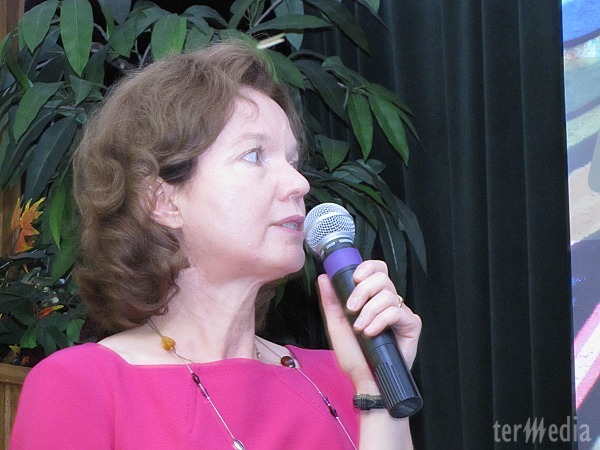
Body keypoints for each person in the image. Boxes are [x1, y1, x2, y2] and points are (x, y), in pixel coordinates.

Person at [10, 40, 422, 449]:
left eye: (293, 162)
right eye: (254, 155)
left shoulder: (345, 376)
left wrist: (376, 389)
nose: (299, 184)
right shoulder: (82, 386)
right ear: (163, 201)